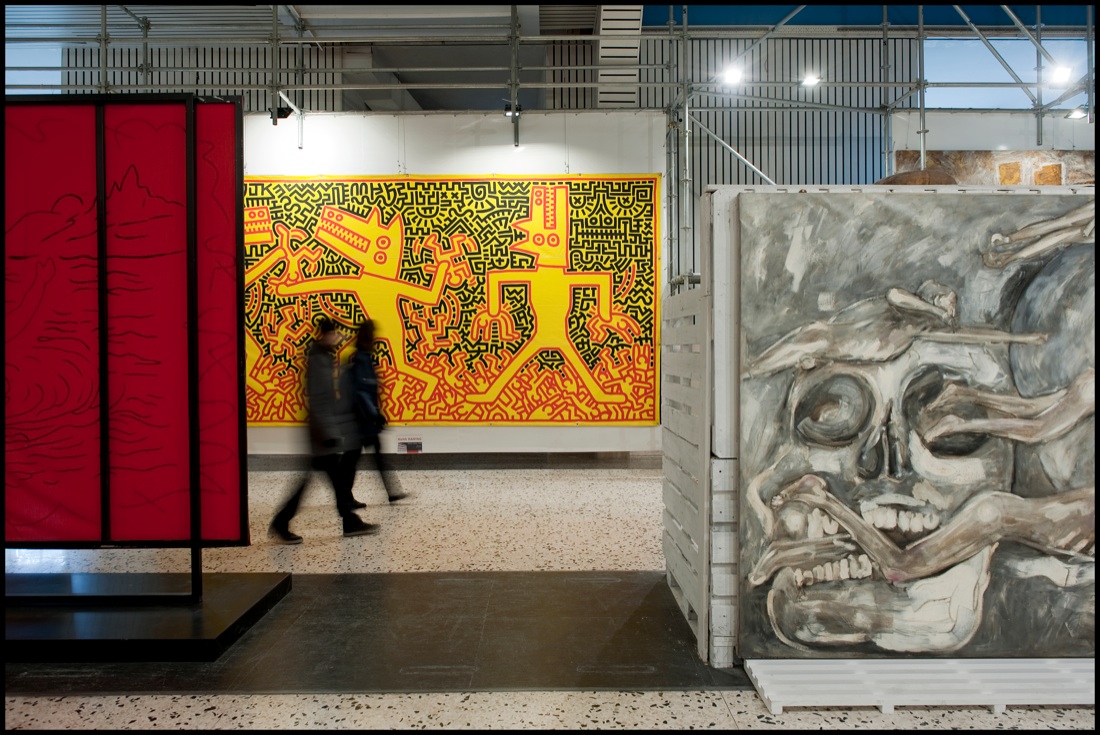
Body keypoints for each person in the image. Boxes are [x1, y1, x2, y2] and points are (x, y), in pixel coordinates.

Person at [269, 317, 380, 543]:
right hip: (322, 436)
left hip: (322, 433)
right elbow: (320, 402)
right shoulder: (319, 361)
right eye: (334, 334)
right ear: (325, 334)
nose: (337, 338)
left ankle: (347, 521)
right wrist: (329, 433)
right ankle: (284, 521)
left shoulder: (323, 359)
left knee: (332, 481)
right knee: (329, 481)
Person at [348, 319, 408, 503]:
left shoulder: (362, 357)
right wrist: (375, 414)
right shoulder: (361, 359)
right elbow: (361, 391)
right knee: (352, 460)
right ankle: (346, 497)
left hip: (365, 420)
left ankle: (390, 492)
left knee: (364, 458)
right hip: (363, 421)